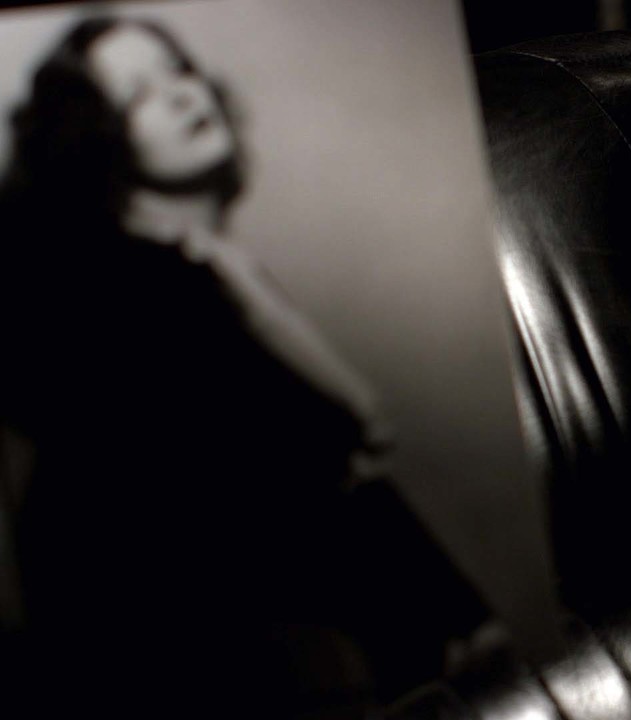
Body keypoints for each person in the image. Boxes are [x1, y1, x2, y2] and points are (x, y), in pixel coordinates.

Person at [0, 16, 488, 709]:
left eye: (177, 69)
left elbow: (355, 435)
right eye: (138, 94)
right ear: (95, 135)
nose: (180, 94)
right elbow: (323, 462)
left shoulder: (202, 271)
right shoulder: (148, 296)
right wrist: (463, 629)